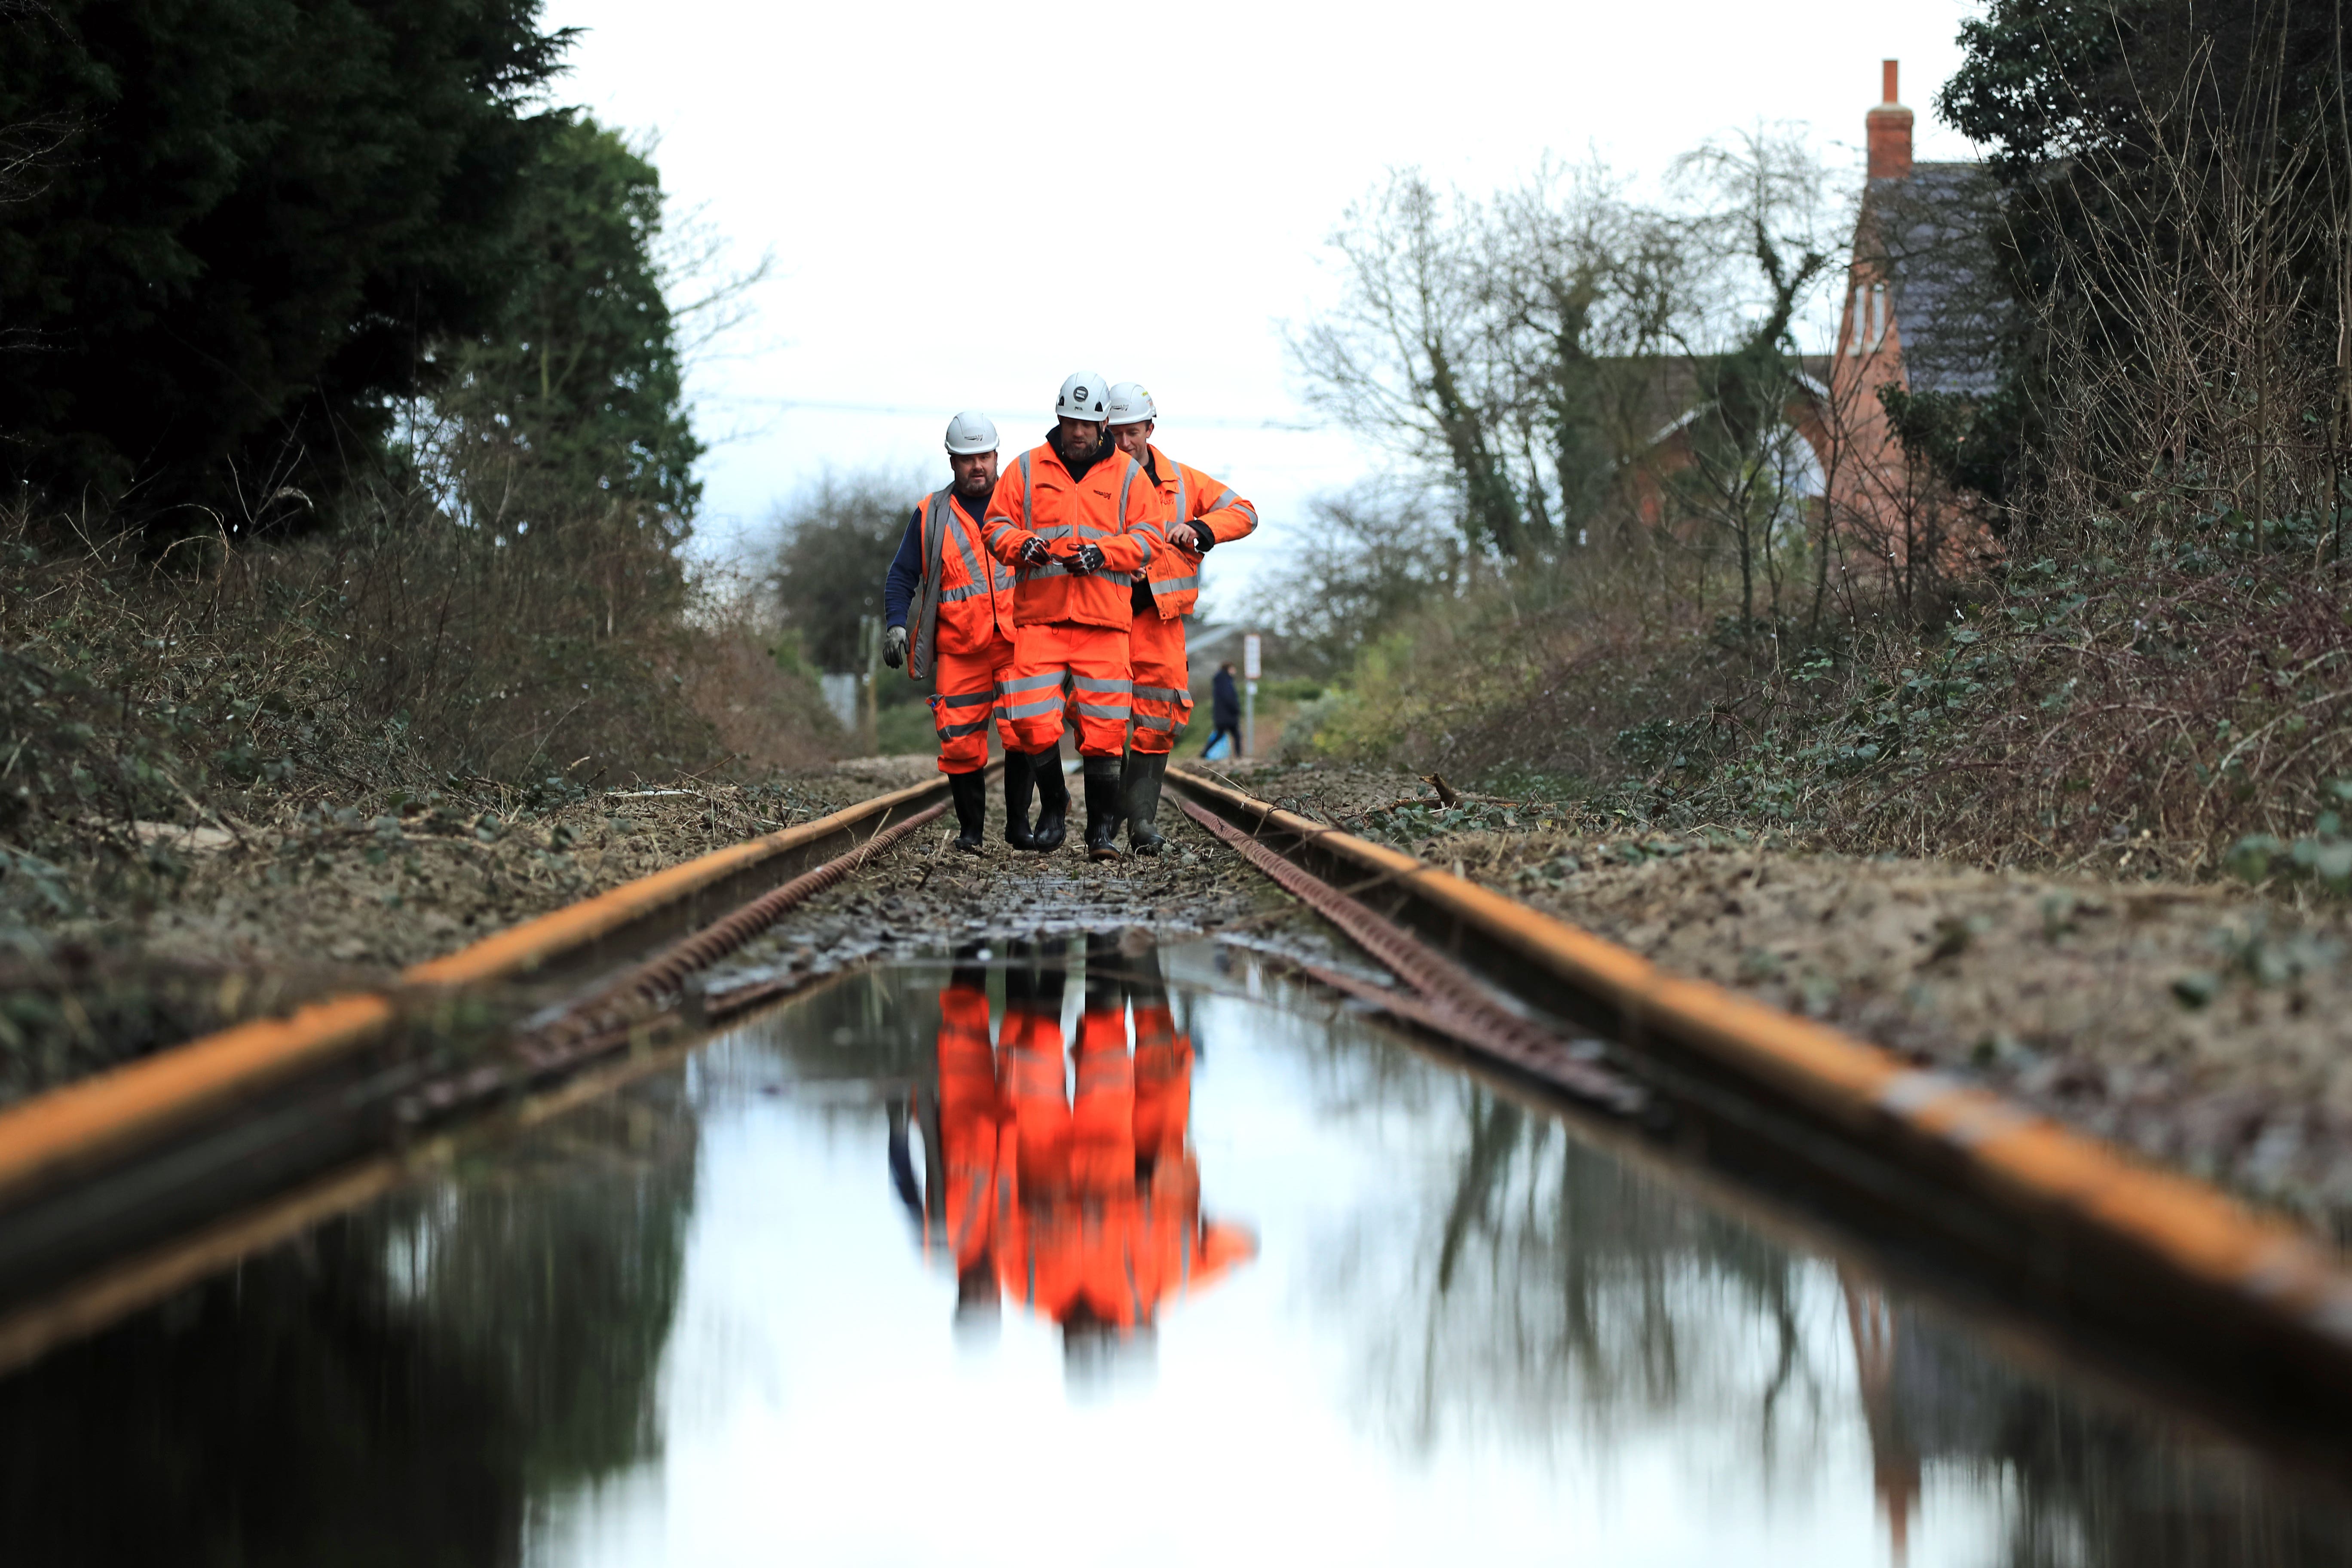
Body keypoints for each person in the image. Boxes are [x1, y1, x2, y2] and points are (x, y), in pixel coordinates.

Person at [981, 373, 1165, 860]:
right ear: (1058, 418)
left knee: (1104, 732)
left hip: (1104, 625)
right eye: (1069, 422)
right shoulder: (1024, 470)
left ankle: (1102, 831)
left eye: (1086, 424)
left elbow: (1152, 536)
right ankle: (1056, 804)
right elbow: (995, 528)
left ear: (1103, 422)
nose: (1077, 432)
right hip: (1040, 621)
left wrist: (1106, 554)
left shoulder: (1128, 476)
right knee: (1030, 721)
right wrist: (1024, 545)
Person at [1102, 384, 1257, 851]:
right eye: (1115, 434)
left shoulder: (1184, 483)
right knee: (1101, 721)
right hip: (1103, 622)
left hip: (1160, 621)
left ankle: (1141, 827)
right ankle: (1105, 823)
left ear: (1150, 428)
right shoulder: (1093, 482)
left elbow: (1245, 512)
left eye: (1132, 433)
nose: (1124, 443)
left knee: (1160, 717)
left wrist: (1202, 527)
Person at [881, 412, 1014, 852]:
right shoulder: (931, 514)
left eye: (985, 457)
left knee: (1027, 730)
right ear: (952, 462)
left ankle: (1021, 827)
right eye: (967, 459)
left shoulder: (1020, 504)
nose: (977, 466)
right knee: (958, 742)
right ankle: (971, 833)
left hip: (1019, 641)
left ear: (998, 457)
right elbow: (902, 575)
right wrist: (896, 624)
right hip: (961, 648)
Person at [1207, 661, 1242, 758]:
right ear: (1229, 669)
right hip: (1228, 715)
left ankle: (1204, 753)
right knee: (1237, 736)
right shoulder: (1226, 682)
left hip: (1222, 715)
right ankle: (1239, 756)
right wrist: (1236, 709)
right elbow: (1229, 698)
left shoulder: (1220, 681)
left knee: (1220, 735)